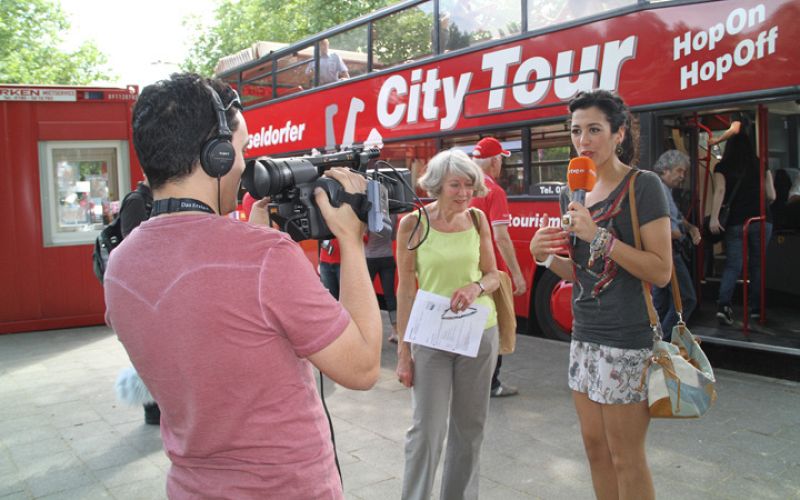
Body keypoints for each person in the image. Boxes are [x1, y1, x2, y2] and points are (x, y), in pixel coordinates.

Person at [104, 73, 382, 498]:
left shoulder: (120, 265)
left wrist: (251, 239)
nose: (244, 164)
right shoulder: (265, 257)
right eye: (242, 149)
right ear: (216, 155)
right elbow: (361, 367)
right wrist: (350, 238)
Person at [530, 89, 671, 500]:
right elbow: (581, 272)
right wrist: (542, 258)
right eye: (576, 131)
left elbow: (660, 271)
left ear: (619, 133)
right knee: (594, 451)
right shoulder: (571, 194)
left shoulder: (643, 187)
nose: (583, 141)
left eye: (594, 129)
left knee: (626, 456)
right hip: (584, 336)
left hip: (626, 339)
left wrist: (599, 236)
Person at [395, 149, 500, 500]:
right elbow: (406, 287)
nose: (465, 193)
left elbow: (493, 275)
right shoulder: (413, 224)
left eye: (470, 185)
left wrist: (476, 287)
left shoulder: (477, 221)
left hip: (478, 333)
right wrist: (403, 353)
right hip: (431, 337)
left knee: (470, 430)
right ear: (437, 186)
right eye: (456, 185)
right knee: (427, 430)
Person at [469, 137, 527, 398]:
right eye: (501, 159)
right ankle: (492, 384)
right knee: (498, 324)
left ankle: (471, 379)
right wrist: (516, 274)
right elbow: (501, 237)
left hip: (469, 268)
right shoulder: (494, 192)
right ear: (494, 161)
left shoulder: (462, 189)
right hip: (493, 271)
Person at [709, 129, 776, 324]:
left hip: (737, 222)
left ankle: (723, 306)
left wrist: (714, 218)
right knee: (757, 265)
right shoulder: (761, 164)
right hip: (763, 220)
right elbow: (771, 195)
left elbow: (720, 191)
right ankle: (757, 310)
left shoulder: (723, 167)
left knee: (733, 264)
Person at [117, 179, 159, 425]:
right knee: (149, 351)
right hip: (143, 289)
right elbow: (132, 245)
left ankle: (158, 406)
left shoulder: (152, 200)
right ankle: (152, 410)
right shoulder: (136, 201)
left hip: (152, 286)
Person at [651, 150, 700, 340]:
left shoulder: (666, 190)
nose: (682, 176)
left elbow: (677, 218)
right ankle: (662, 342)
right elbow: (651, 224)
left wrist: (691, 228)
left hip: (668, 251)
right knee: (687, 299)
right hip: (667, 251)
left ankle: (654, 343)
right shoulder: (656, 189)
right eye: (679, 171)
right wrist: (674, 233)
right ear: (666, 170)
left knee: (661, 303)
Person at [365, 215, 399, 343]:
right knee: (389, 296)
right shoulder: (392, 214)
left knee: (366, 296)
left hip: (369, 258)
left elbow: (363, 236)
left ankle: (368, 332)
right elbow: (393, 236)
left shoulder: (368, 213)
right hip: (387, 257)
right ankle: (396, 331)